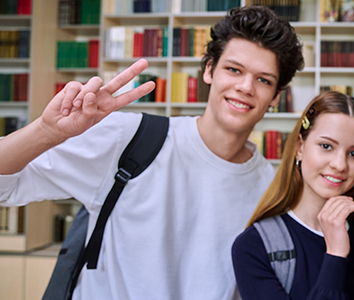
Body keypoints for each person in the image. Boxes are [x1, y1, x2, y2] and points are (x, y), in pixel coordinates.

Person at [0, 6, 304, 300]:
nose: (245, 87)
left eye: (263, 80)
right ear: (209, 70)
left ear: (276, 96)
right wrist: (47, 132)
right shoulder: (129, 137)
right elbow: (5, 188)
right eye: (233, 69)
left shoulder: (273, 188)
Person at [231, 91, 354, 299]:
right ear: (300, 147)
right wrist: (335, 254)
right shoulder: (254, 247)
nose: (340, 165)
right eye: (326, 146)